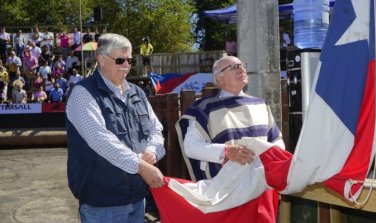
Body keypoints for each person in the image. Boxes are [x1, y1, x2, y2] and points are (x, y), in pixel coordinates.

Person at [66, 33, 165, 223]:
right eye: (120, 60)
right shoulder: (83, 93)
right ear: (101, 59)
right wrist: (141, 166)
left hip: (138, 198)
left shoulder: (137, 93)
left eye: (129, 59)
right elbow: (99, 139)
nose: (127, 65)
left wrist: (152, 151)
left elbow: (156, 129)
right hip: (103, 204)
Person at [176, 55, 285, 222]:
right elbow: (191, 147)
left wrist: (272, 160)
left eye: (242, 65)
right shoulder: (204, 108)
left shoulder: (261, 104)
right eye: (234, 67)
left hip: (262, 189)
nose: (241, 69)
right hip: (227, 195)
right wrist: (226, 152)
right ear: (219, 78)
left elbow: (277, 140)